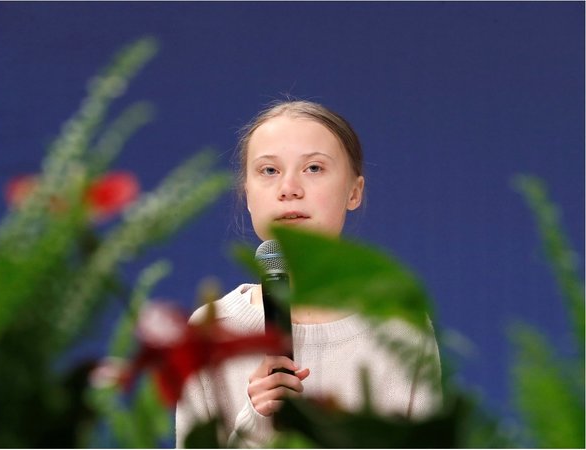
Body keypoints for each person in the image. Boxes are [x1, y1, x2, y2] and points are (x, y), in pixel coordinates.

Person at [175, 100, 441, 447]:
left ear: (354, 191)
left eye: (313, 168)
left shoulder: (400, 325)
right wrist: (257, 418)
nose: (289, 188)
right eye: (269, 171)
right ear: (247, 195)